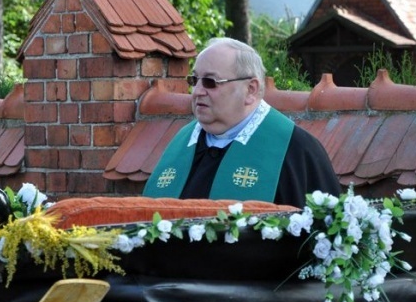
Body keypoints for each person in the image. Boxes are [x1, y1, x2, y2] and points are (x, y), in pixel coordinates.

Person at [144, 37, 340, 207]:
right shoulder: (182, 143)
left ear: (251, 90)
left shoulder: (297, 149)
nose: (197, 92)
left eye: (211, 82)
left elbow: (322, 240)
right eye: (194, 80)